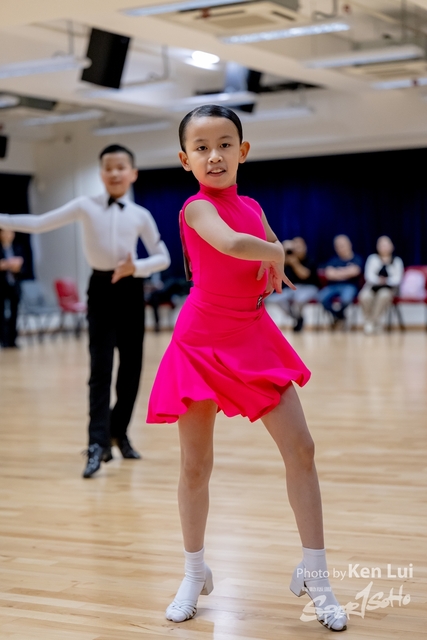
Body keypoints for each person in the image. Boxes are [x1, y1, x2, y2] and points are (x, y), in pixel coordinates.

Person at [147, 105, 348, 632]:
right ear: (185, 160)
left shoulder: (253, 206)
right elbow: (235, 245)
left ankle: (316, 574)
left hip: (252, 337)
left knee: (302, 449)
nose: (214, 156)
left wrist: (274, 256)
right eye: (202, 148)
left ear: (243, 150)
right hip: (200, 343)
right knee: (195, 466)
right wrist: (277, 251)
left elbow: (262, 248)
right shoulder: (195, 208)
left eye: (224, 144)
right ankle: (194, 573)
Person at [0, 144, 170, 478]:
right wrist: (3, 219)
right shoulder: (85, 205)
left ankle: (118, 432)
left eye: (121, 167)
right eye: (109, 167)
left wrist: (136, 268)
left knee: (131, 369)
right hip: (101, 290)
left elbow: (163, 257)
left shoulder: (141, 215)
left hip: (130, 289)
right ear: (101, 173)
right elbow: (40, 223)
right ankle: (96, 443)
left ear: (133, 173)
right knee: (100, 369)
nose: (115, 173)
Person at [269, 236, 319, 331]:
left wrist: (295, 263)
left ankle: (298, 318)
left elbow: (304, 275)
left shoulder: (310, 260)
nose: (297, 249)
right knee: (274, 299)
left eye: (299, 246)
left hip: (309, 287)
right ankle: (297, 318)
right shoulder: (289, 259)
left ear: (305, 247)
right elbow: (277, 268)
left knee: (298, 299)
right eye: (295, 246)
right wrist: (283, 251)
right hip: (293, 288)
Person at [359, 236, 404, 334]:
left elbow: (397, 279)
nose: (384, 247)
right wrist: (379, 280)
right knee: (365, 296)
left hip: (389, 289)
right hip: (372, 287)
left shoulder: (397, 261)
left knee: (383, 295)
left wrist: (386, 281)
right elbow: (369, 276)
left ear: (392, 246)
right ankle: (369, 323)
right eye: (381, 245)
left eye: (386, 245)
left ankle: (373, 322)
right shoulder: (372, 259)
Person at [318, 234, 363, 328]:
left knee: (346, 299)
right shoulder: (333, 260)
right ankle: (339, 316)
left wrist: (337, 273)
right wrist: (346, 272)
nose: (340, 248)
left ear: (349, 244)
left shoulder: (356, 258)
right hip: (333, 287)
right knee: (320, 297)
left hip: (350, 286)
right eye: (338, 246)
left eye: (342, 245)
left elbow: (355, 271)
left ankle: (338, 317)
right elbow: (328, 274)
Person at [0, 229, 24, 348]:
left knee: (14, 314)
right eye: (5, 232)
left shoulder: (17, 248)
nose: (8, 235)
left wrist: (16, 267)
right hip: (2, 286)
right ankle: (3, 341)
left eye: (10, 232)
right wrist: (6, 264)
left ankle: (13, 340)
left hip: (14, 285)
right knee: (2, 314)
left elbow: (22, 268)